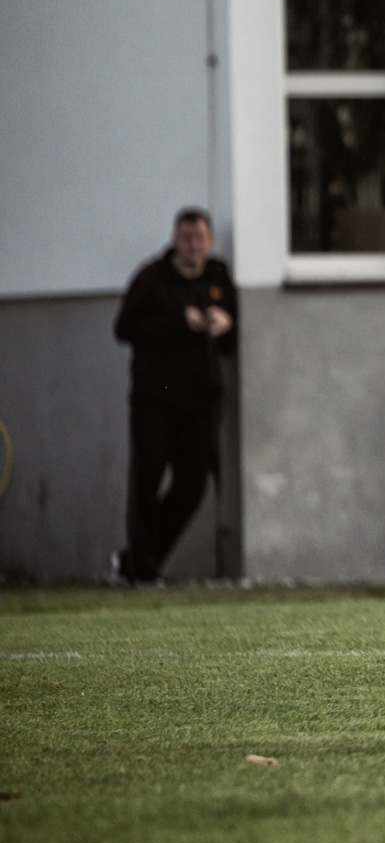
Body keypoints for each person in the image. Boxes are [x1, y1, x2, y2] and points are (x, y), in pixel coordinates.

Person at [111, 207, 238, 583]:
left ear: (210, 242)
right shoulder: (153, 278)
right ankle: (141, 571)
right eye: (186, 238)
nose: (193, 246)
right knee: (146, 484)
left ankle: (141, 557)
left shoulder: (217, 277)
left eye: (200, 239)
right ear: (174, 240)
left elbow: (232, 333)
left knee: (193, 483)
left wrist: (225, 324)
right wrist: (177, 322)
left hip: (199, 400)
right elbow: (124, 328)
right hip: (157, 396)